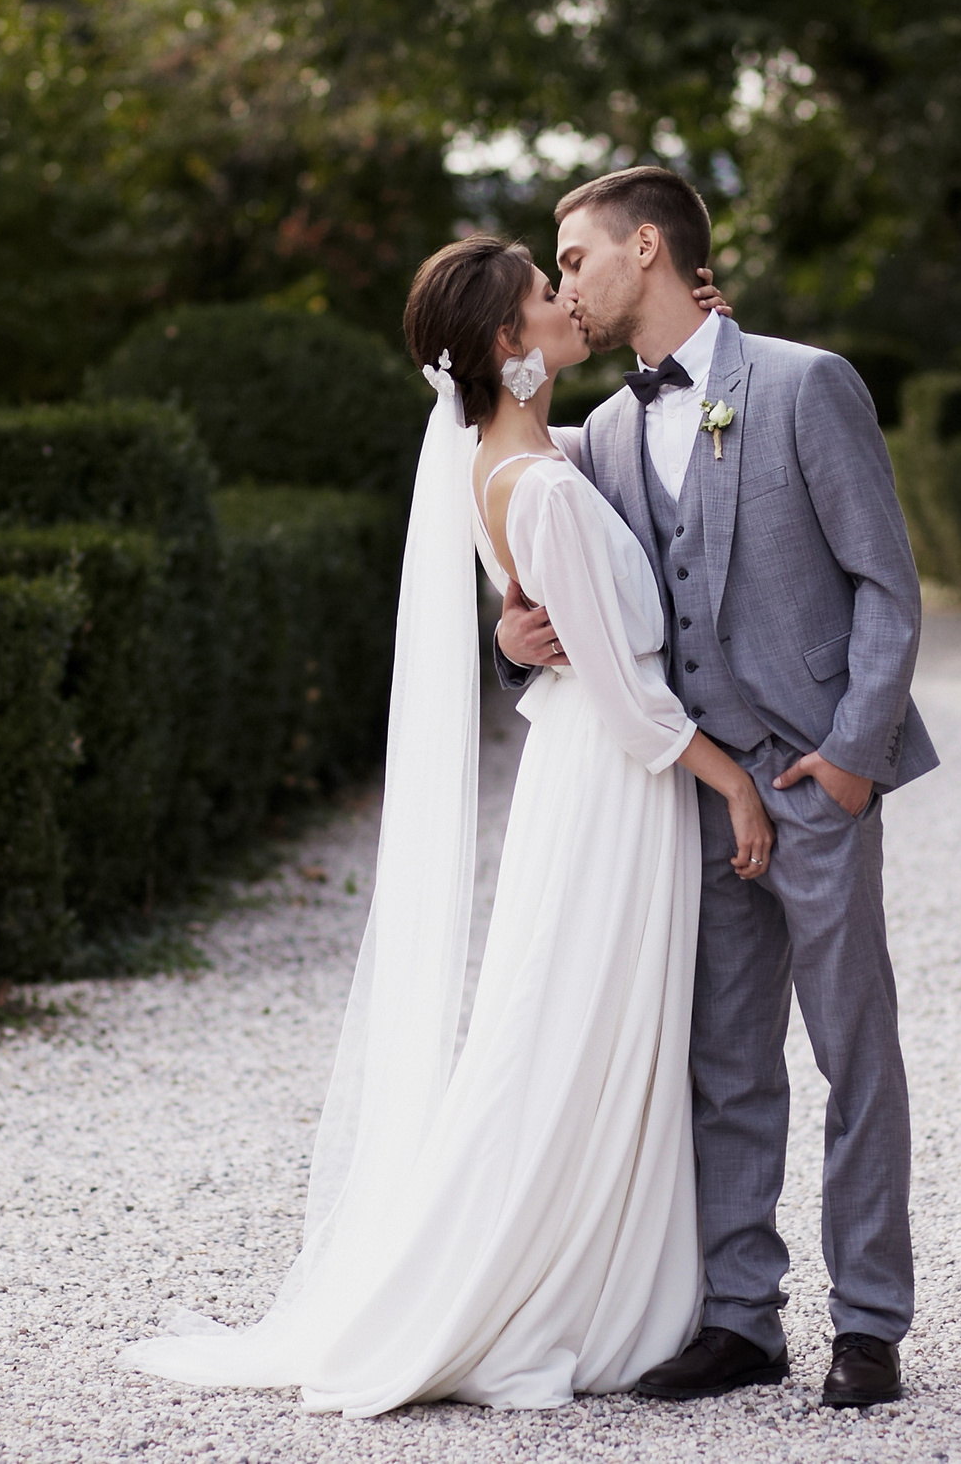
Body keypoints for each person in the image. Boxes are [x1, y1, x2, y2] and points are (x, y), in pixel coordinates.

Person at [121, 236, 775, 1415]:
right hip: (611, 783)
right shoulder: (537, 485)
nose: (565, 300)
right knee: (571, 1026)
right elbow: (625, 693)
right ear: (507, 343)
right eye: (544, 293)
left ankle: (603, 1269)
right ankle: (521, 1286)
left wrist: (702, 342)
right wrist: (732, 784)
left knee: (587, 1021)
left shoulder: (517, 458)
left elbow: (587, 584)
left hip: (593, 772)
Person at [498, 166, 935, 1409]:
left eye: (573, 258)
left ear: (647, 247)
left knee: (854, 1052)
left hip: (813, 777)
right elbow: (527, 527)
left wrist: (849, 760)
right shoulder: (604, 432)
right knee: (723, 1062)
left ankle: (869, 1323)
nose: (564, 284)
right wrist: (511, 638)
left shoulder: (804, 383)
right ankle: (742, 1317)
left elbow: (887, 587)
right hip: (695, 797)